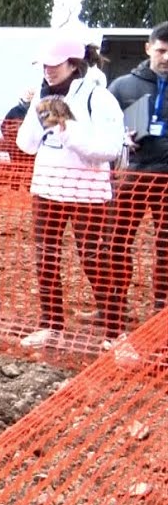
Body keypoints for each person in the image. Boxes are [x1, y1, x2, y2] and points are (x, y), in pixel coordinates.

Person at [14, 36, 124, 349]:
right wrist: (36, 111)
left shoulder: (99, 97)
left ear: (73, 64)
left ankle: (115, 334)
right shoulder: (43, 95)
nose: (48, 70)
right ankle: (51, 326)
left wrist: (66, 129)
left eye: (54, 64)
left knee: (94, 260)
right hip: (47, 189)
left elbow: (109, 148)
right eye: (44, 65)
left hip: (87, 193)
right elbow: (27, 144)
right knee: (46, 259)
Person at [104, 21, 168, 339]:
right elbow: (103, 125)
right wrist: (121, 136)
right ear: (148, 48)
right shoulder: (123, 86)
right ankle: (114, 304)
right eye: (162, 50)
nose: (167, 57)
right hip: (134, 176)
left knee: (166, 247)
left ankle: (162, 310)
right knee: (118, 241)